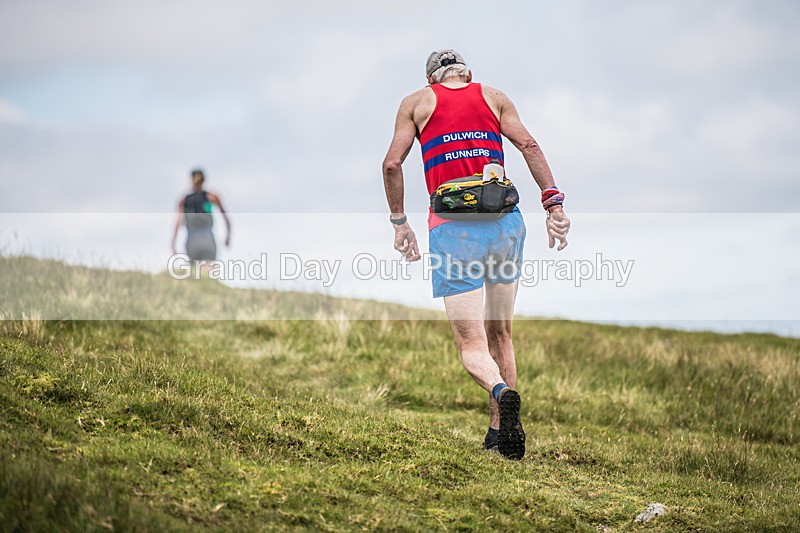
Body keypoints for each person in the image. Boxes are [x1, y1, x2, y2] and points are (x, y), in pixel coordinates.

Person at [381, 49, 570, 460]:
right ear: (468, 74)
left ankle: (500, 392)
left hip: (453, 230)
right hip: (505, 225)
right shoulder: (495, 96)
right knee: (501, 333)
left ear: (432, 79)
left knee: (472, 344)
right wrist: (554, 205)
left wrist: (400, 223)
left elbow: (393, 165)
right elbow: (529, 145)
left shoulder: (416, 103)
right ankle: (500, 433)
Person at [170, 169, 231, 265]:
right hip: (208, 240)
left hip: (191, 241)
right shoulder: (211, 197)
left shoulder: (184, 201)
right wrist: (228, 237)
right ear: (204, 180)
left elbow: (178, 223)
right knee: (208, 274)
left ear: (191, 180)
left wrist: (173, 243)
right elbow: (226, 219)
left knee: (195, 276)